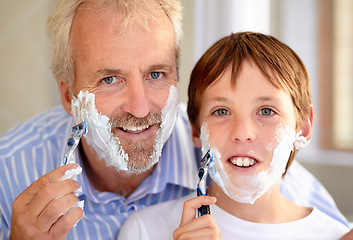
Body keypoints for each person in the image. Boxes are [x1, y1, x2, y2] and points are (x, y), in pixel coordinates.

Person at [0, 0, 349, 239]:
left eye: (156, 74)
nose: (139, 107)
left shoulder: (244, 160)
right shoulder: (8, 172)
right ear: (68, 97)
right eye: (110, 79)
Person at [118, 32, 350, 240]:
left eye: (267, 111)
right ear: (196, 130)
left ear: (304, 128)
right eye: (221, 111)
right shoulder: (145, 230)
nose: (243, 133)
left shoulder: (333, 235)